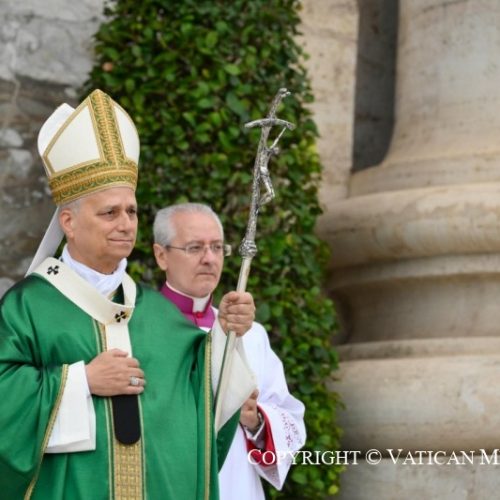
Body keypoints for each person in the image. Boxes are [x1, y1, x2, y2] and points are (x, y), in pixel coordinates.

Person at [0, 90, 256, 499]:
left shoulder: (158, 314)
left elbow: (202, 406)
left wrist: (226, 334)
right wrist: (82, 381)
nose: (126, 224)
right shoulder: (28, 306)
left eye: (132, 211)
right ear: (69, 222)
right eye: (109, 212)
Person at [152, 203, 306, 500]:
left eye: (217, 247)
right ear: (162, 256)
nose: (209, 258)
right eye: (195, 247)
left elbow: (290, 419)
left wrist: (256, 420)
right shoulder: (138, 327)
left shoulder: (252, 335)